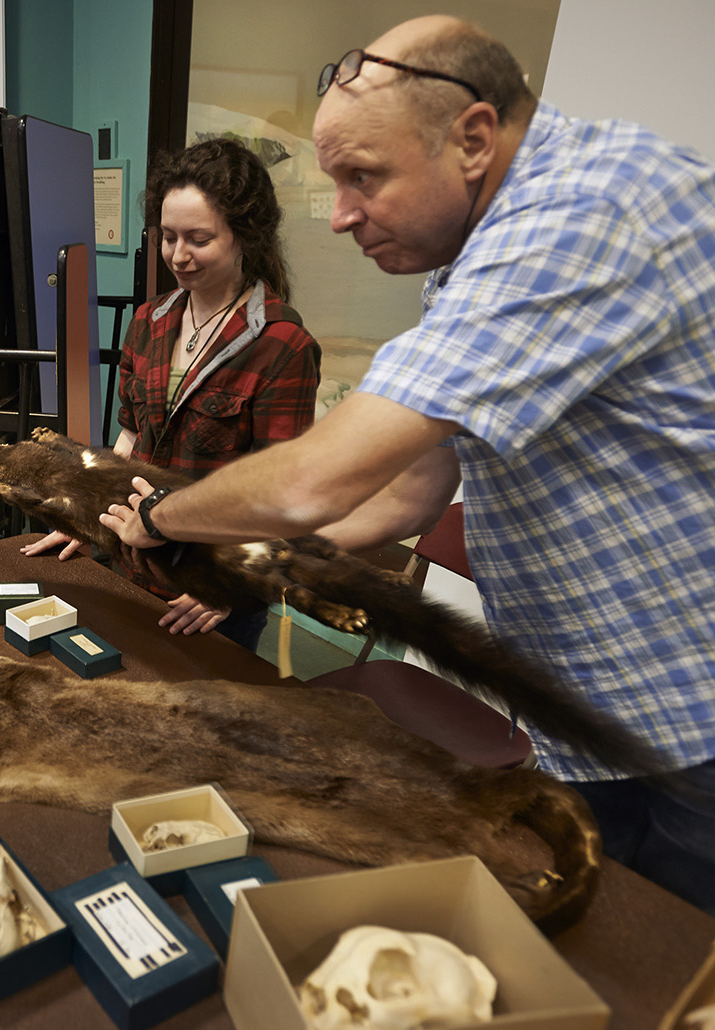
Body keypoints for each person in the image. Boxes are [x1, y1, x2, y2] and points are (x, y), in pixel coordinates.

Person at [99, 16, 715, 914]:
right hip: (585, 714)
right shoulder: (469, 260)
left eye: (364, 177)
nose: (341, 214)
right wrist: (242, 557)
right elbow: (408, 492)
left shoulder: (579, 219)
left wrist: (162, 521)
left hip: (685, 719)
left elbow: (316, 479)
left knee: (669, 960)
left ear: (471, 136)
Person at [23, 138, 321, 651]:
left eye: (199, 239)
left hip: (207, 589)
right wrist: (87, 518)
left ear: (244, 237)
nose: (178, 256)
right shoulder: (149, 321)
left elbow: (282, 498)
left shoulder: (282, 346)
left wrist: (229, 589)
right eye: (168, 237)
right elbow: (127, 440)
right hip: (129, 562)